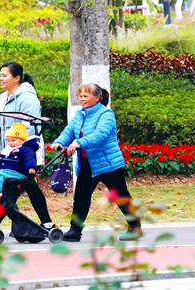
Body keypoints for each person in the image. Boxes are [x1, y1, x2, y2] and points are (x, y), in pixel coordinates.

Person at [50, 83, 143, 242]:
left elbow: (100, 134)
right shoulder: (80, 114)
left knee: (121, 196)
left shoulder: (106, 114)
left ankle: (134, 227)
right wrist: (58, 142)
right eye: (80, 96)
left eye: (86, 96)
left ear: (97, 97)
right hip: (87, 164)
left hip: (108, 164)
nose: (82, 99)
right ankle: (75, 231)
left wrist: (79, 143)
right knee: (80, 197)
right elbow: (69, 131)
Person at [0, 61, 54, 229]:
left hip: (24, 156)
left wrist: (17, 150)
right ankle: (45, 224)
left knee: (10, 195)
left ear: (17, 78)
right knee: (31, 189)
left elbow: (30, 128)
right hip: (10, 157)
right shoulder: (1, 100)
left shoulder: (28, 99)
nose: (0, 78)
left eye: (4, 75)